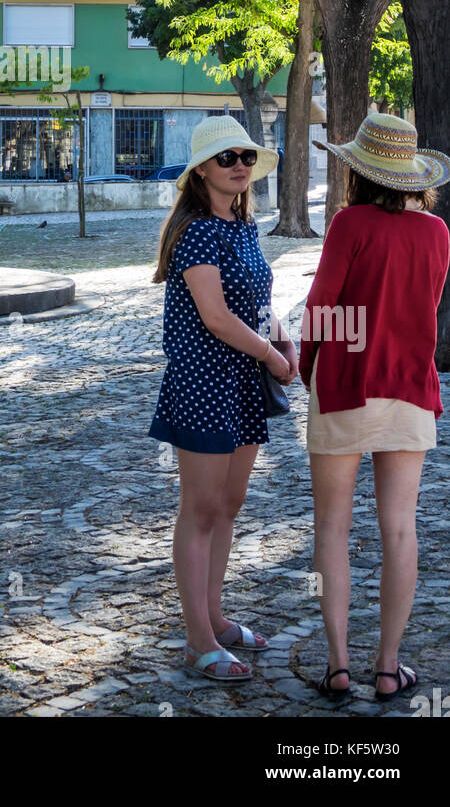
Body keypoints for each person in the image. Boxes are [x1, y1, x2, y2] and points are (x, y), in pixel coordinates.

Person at [300, 113, 450, 702]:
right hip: (408, 388)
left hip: (344, 384)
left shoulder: (348, 223)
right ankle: (388, 667)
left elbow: (322, 303)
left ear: (359, 171)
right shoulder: (438, 233)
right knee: (401, 529)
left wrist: (307, 365)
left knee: (332, 529)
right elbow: (423, 309)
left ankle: (338, 665)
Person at [147, 114, 298, 682]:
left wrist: (285, 340)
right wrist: (269, 354)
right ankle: (197, 640)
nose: (240, 166)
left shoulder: (242, 227)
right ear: (202, 172)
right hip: (204, 383)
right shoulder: (197, 233)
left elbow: (258, 301)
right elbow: (215, 317)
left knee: (228, 508)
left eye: (246, 157)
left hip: (240, 387)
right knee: (202, 509)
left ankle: (214, 617)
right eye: (227, 158)